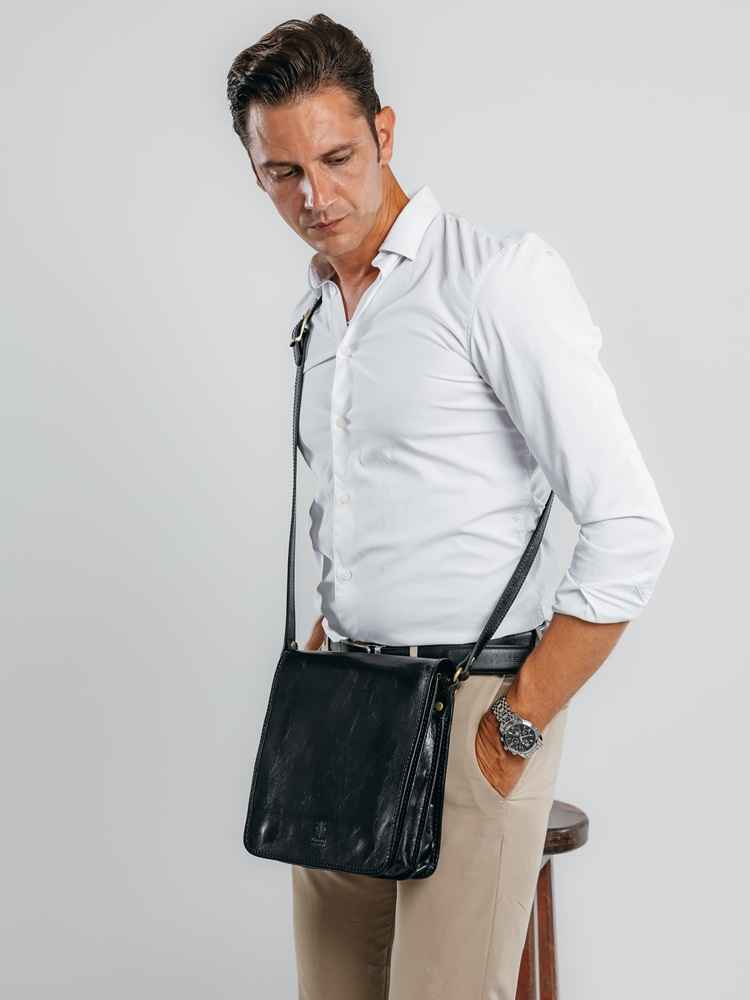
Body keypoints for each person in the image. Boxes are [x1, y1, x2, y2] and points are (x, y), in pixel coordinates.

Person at [227, 14, 674, 1000]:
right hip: (342, 705)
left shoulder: (494, 278)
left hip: (478, 700)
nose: (315, 196)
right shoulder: (317, 315)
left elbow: (631, 527)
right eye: (283, 172)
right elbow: (353, 512)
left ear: (385, 132)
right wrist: (328, 645)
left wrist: (515, 727)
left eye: (337, 158)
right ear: (256, 172)